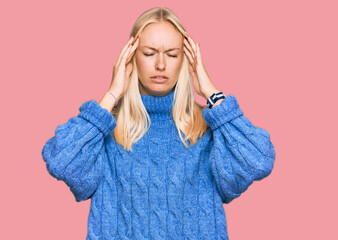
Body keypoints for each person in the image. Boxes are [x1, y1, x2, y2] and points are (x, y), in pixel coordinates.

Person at [41, 7, 276, 240]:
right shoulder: (106, 129)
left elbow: (259, 160)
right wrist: (112, 94)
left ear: (186, 60)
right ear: (131, 57)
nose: (161, 65)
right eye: (149, 53)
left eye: (172, 55)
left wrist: (210, 91)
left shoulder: (208, 129)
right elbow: (61, 161)